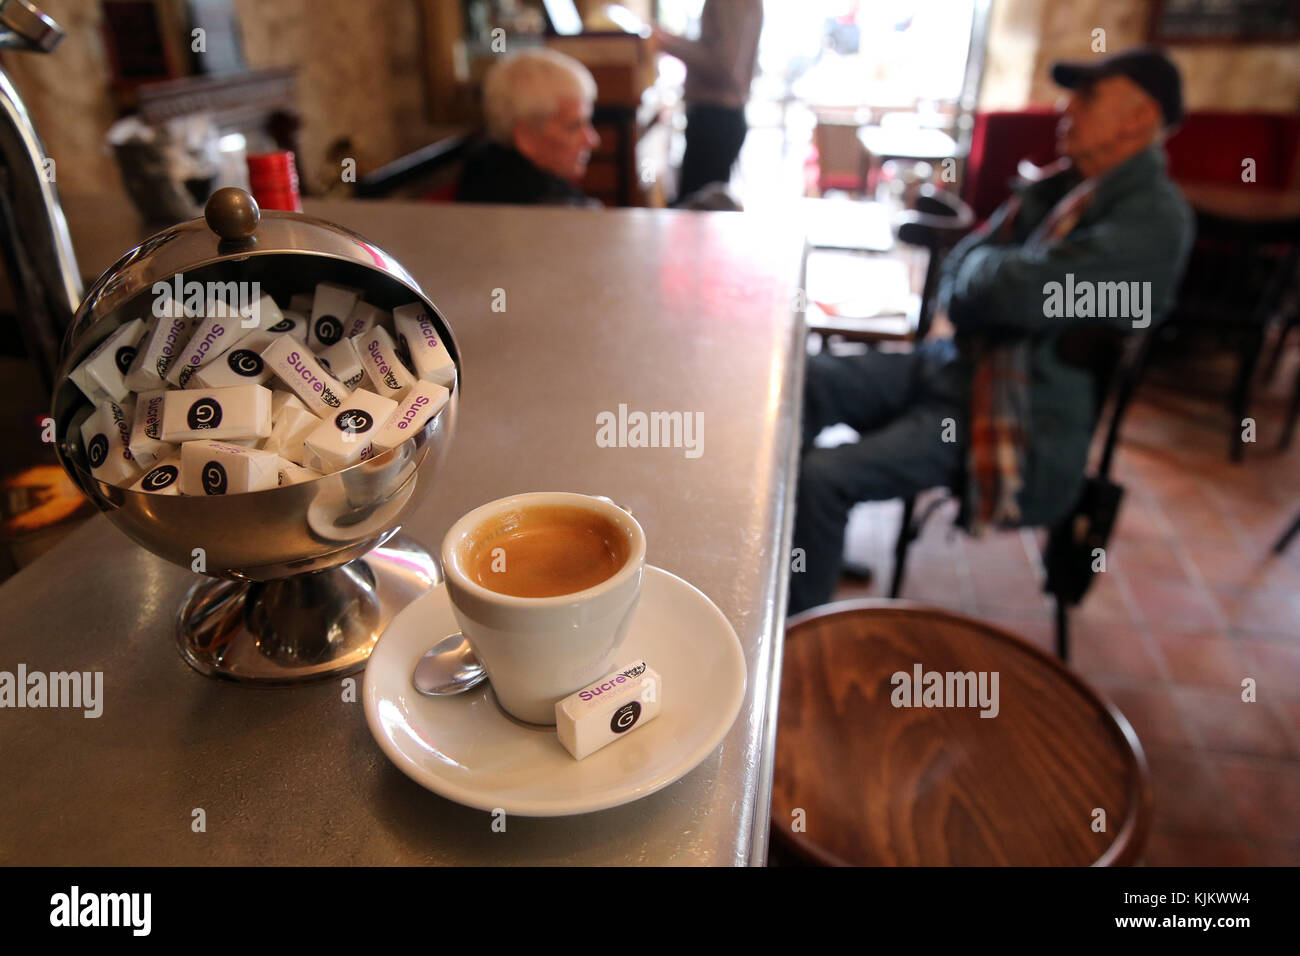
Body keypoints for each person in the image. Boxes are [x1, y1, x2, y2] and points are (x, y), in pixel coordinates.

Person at [787, 46, 1196, 616]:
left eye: (1088, 97)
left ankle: (797, 633)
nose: (1065, 109)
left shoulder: (1154, 221)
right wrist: (998, 282)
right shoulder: (1064, 189)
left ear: (1140, 118)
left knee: (822, 476)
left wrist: (997, 282)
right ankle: (807, 543)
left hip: (1021, 413)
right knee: (804, 381)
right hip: (958, 366)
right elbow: (965, 272)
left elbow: (1016, 293)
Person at [456, 48, 602, 206]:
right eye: (573, 126)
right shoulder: (548, 209)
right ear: (526, 136)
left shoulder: (483, 169)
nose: (592, 141)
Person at [652, 0, 763, 204]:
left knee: (697, 216)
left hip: (716, 119)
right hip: (718, 117)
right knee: (698, 213)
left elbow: (724, 66)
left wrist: (666, 42)